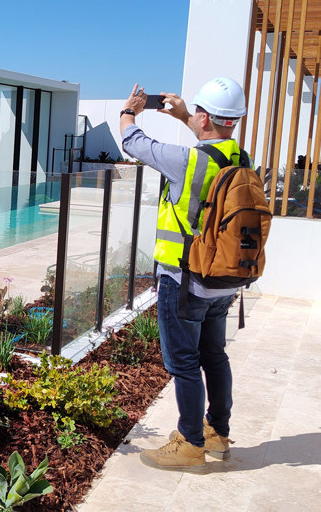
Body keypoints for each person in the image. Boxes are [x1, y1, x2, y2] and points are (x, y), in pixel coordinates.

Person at [119, 77, 247, 471]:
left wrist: (129, 112)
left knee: (184, 364)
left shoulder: (187, 161)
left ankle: (191, 442)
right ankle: (218, 434)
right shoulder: (240, 159)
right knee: (214, 355)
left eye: (197, 113)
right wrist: (185, 117)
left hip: (183, 280)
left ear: (206, 115)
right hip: (223, 280)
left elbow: (133, 143)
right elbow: (211, 138)